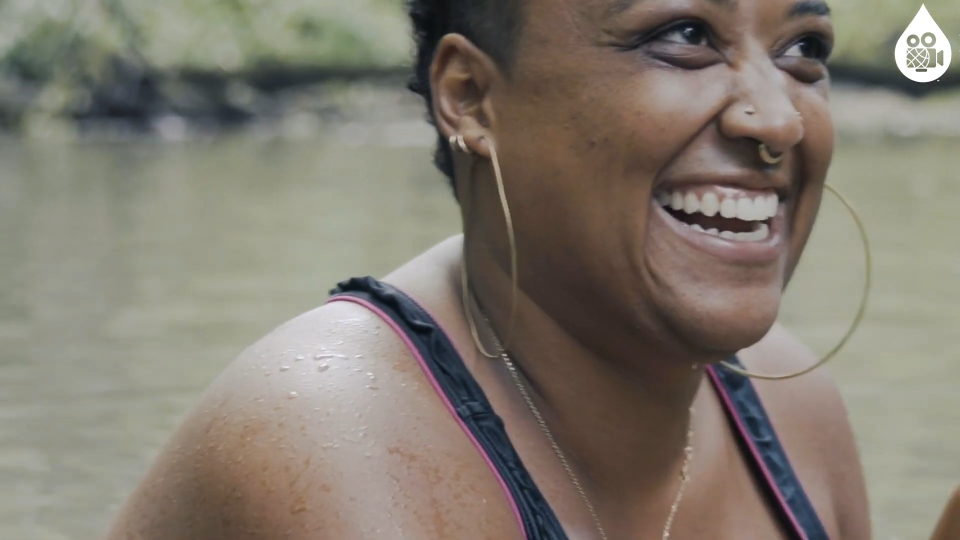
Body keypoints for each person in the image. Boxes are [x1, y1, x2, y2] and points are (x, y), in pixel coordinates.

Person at [104, 0, 874, 538]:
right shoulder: (328, 442)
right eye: (683, 35)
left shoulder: (791, 410)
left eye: (803, 50)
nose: (777, 118)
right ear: (469, 96)